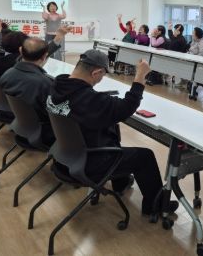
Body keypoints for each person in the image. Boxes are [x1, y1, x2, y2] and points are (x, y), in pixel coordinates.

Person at [46, 50, 178, 215]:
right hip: (87, 163)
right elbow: (127, 106)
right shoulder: (89, 99)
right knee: (145, 156)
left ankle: (120, 183)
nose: (101, 80)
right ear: (96, 72)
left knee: (111, 130)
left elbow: (90, 106)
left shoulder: (57, 85)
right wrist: (140, 76)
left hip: (64, 157)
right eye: (102, 76)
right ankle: (155, 206)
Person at [0, 37, 63, 146]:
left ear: (20, 51)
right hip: (41, 134)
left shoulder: (8, 73)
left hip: (20, 125)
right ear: (44, 56)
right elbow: (57, 114)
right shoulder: (45, 83)